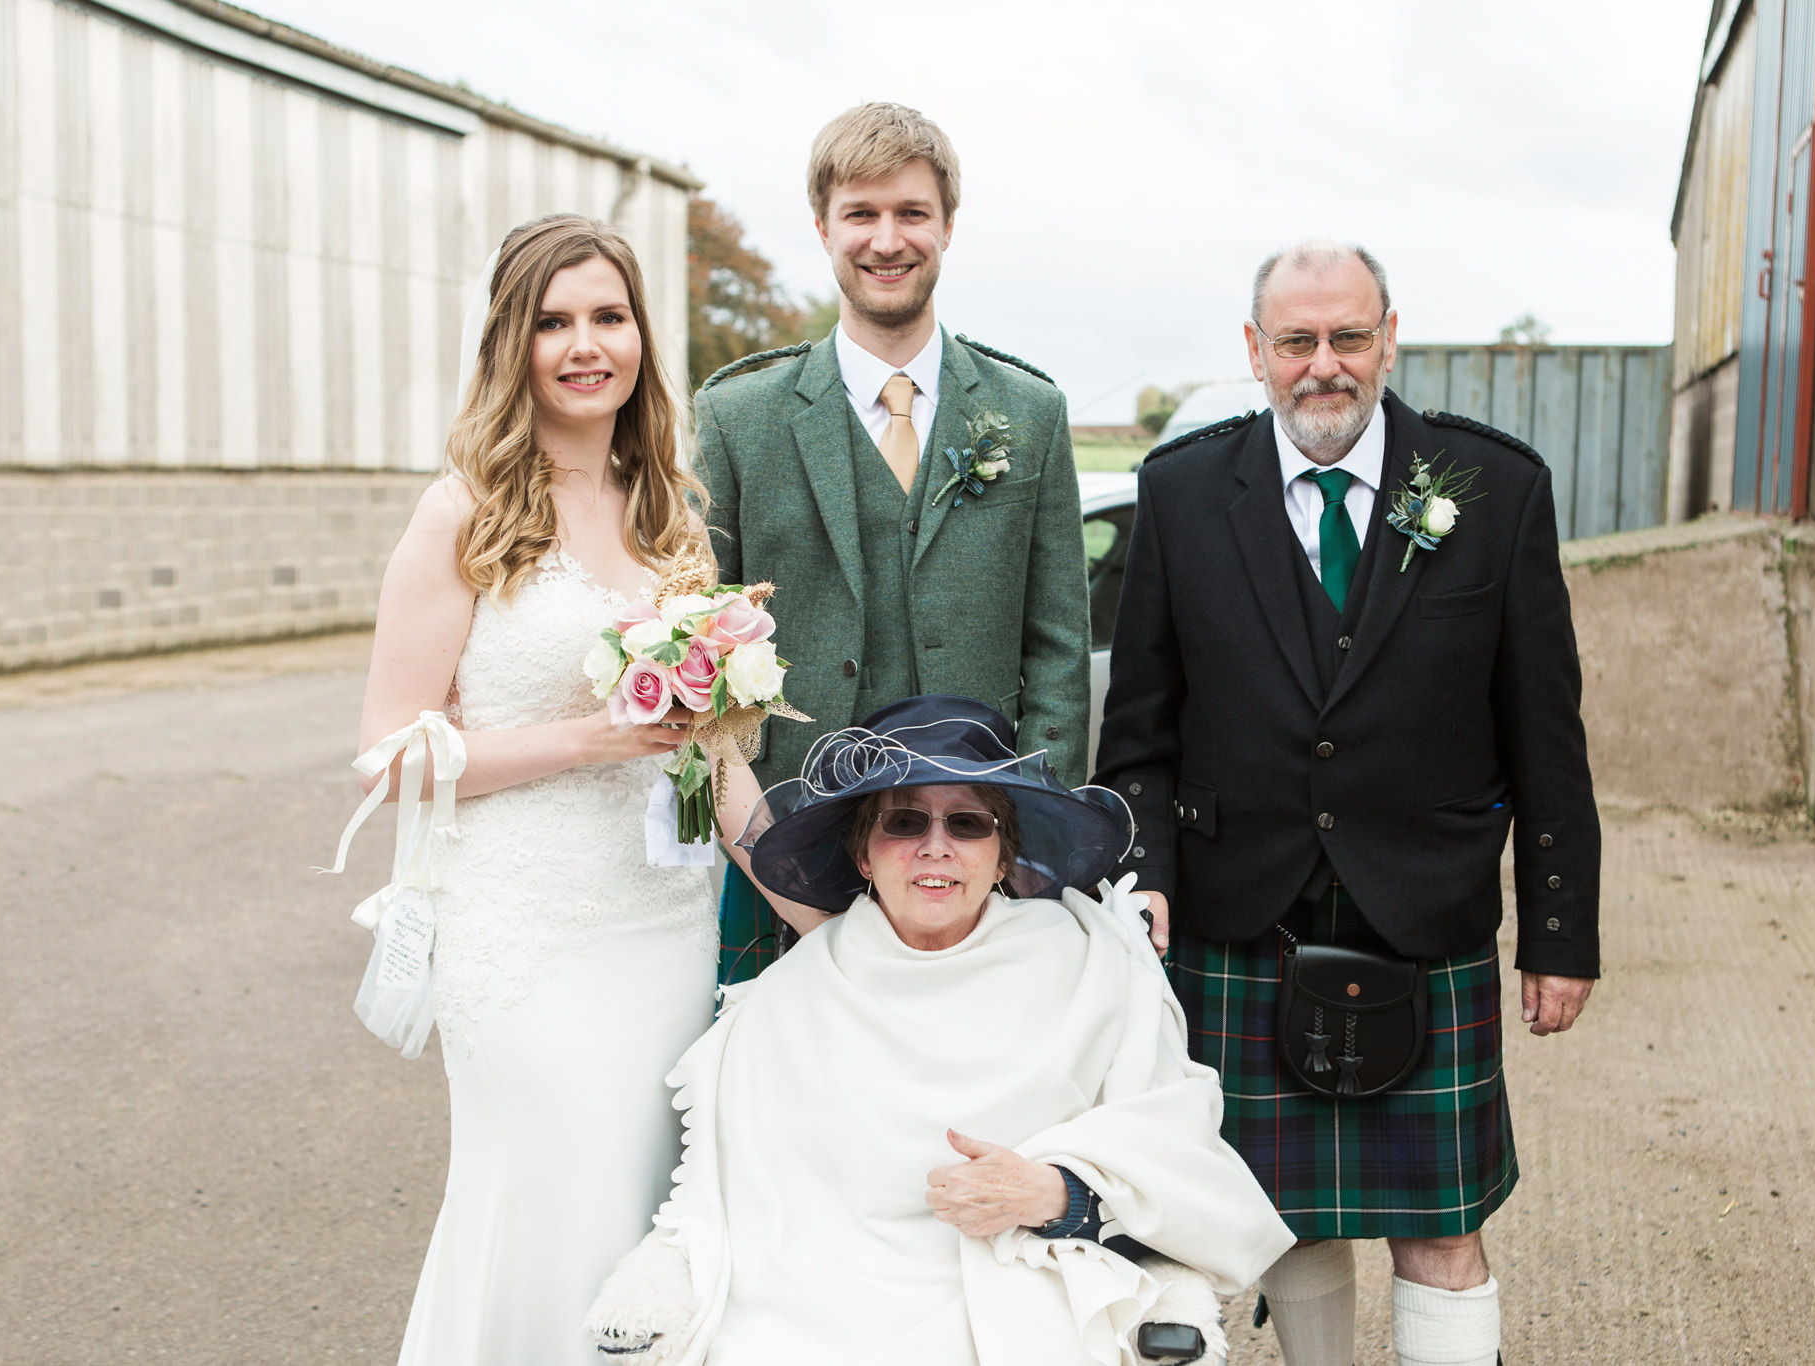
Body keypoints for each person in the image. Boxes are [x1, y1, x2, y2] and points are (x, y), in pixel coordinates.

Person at [1093, 241, 1602, 1366]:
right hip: (1239, 913)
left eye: (1346, 338)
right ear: (1254, 351)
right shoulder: (1181, 490)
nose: (1322, 366)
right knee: (1272, 1223)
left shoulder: (1493, 486)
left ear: (1386, 338)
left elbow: (1544, 733)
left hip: (1422, 910)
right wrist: (1147, 885)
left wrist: (1559, 929)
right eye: (1295, 342)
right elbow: (1139, 731)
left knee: (1439, 1231)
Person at [583, 695, 1294, 1365]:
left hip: (1022, 1274)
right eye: (903, 822)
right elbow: (721, 1198)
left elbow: (1179, 1149)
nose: (935, 846)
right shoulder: (788, 995)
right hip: (815, 1291)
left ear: (1003, 855)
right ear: (863, 855)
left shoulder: (1093, 962)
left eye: (967, 823)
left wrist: (1057, 1193)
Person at [356, 213, 719, 1365]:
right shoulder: (464, 507)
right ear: (511, 343)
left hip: (666, 922)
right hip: (526, 929)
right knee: (556, 1197)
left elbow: (709, 748)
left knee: (644, 1207)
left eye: (607, 316)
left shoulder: (669, 510)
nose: (583, 344)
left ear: (640, 337)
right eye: (552, 321)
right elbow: (389, 752)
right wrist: (588, 740)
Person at [694, 101, 1096, 983]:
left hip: (978, 863)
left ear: (947, 225)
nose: (887, 240)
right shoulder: (737, 418)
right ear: (823, 227)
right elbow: (701, 670)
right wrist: (759, 844)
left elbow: (1060, 642)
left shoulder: (1030, 413)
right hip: (789, 860)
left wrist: (1031, 843)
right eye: (861, 215)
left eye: (911, 213)